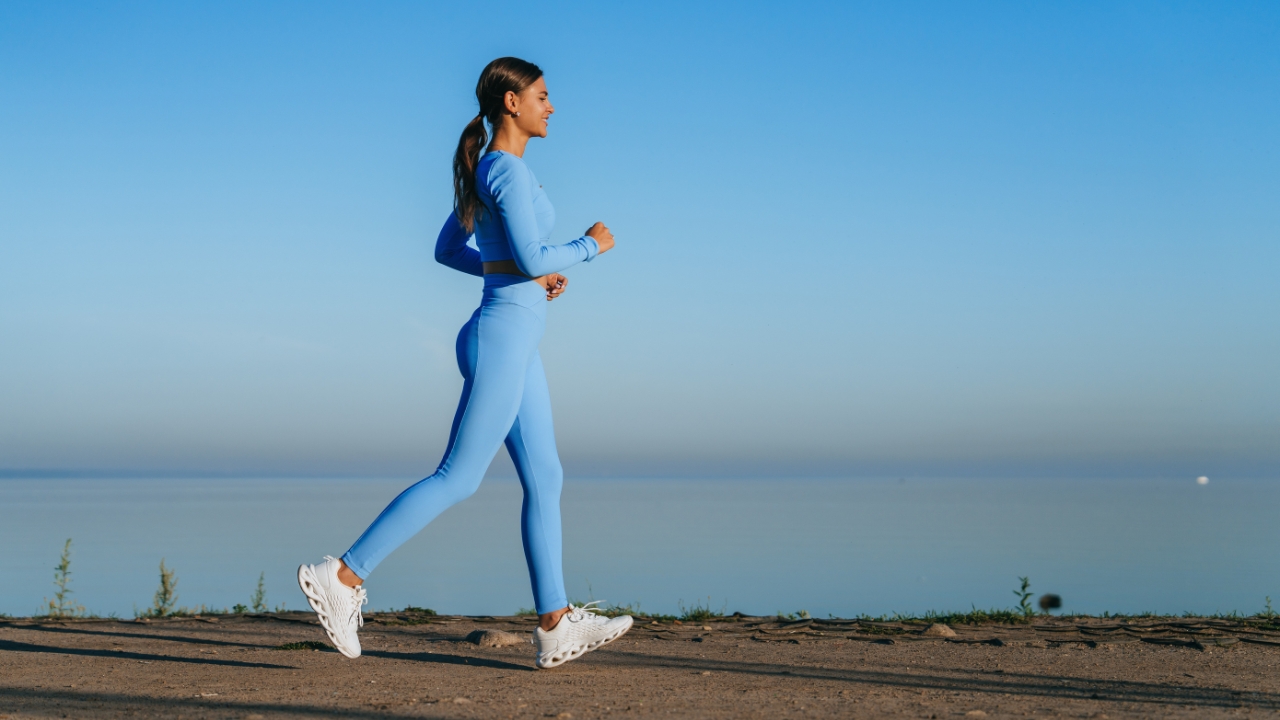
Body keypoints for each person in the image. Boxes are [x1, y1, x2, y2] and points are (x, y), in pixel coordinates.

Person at [296, 57, 631, 669]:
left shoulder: (495, 170)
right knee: (459, 476)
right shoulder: (503, 170)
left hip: (514, 337)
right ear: (512, 102)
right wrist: (589, 246)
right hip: (501, 337)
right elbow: (529, 255)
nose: (551, 106)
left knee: (546, 477)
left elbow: (453, 249)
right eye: (543, 95)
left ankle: (555, 623)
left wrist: (521, 271)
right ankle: (341, 576)